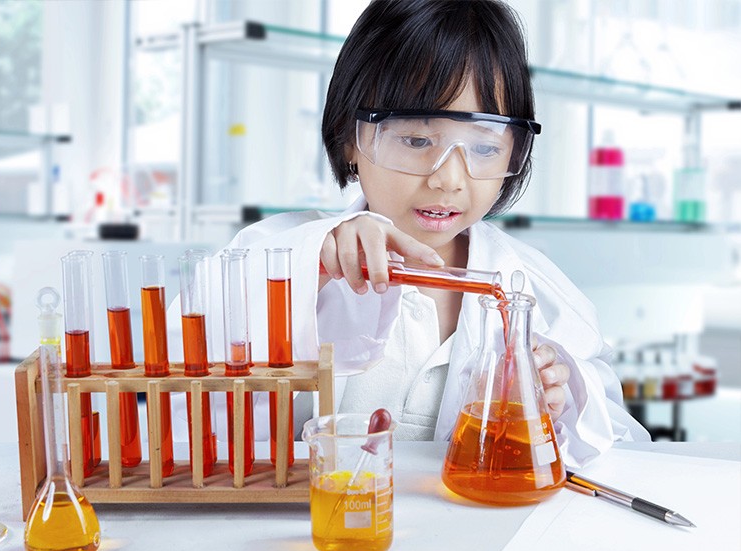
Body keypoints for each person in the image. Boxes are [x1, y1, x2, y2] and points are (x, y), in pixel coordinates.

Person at [167, 0, 649, 467]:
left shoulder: (536, 288)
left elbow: (624, 440)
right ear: (347, 137)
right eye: (418, 140)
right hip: (323, 537)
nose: (449, 178)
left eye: (483, 147)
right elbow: (179, 361)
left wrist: (564, 397)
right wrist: (306, 266)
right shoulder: (286, 251)